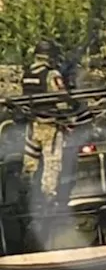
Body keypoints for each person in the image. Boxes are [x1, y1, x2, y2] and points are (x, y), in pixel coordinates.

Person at [20, 40, 69, 203]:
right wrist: (68, 118)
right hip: (49, 126)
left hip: (32, 126)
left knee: (30, 162)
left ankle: (24, 196)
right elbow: (61, 100)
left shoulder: (27, 74)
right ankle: (48, 200)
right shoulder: (51, 74)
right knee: (52, 163)